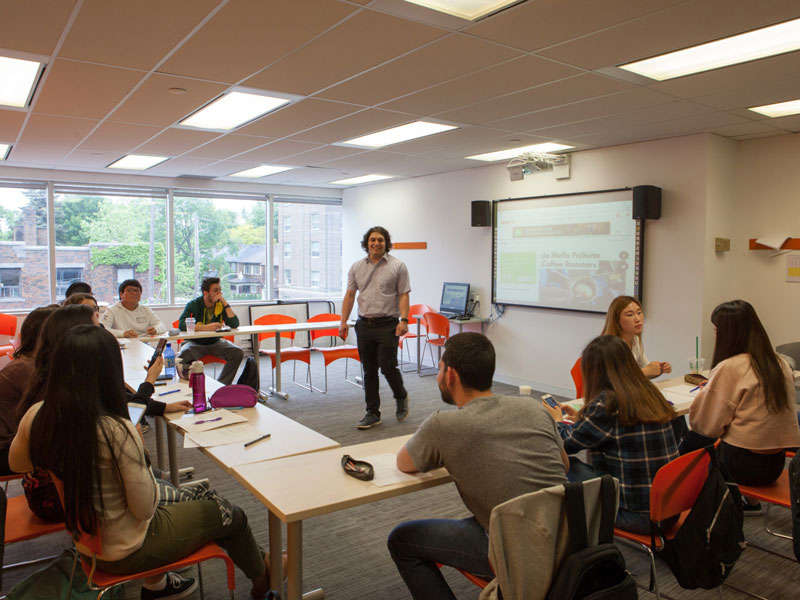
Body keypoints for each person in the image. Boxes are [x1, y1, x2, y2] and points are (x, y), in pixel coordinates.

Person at [9, 325, 275, 600]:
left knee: (198, 499)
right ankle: (264, 578)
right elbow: (145, 507)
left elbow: (17, 464)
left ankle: (262, 564)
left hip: (87, 542)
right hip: (129, 548)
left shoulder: (38, 415)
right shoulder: (114, 429)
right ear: (109, 370)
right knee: (231, 513)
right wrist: (139, 451)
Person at [388, 333, 569, 600]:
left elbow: (404, 463)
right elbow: (564, 465)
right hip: (567, 535)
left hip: (516, 550)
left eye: (439, 369)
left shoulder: (443, 426)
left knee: (401, 540)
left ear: (450, 375)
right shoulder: (534, 409)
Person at [545, 335, 678, 534]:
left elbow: (566, 444)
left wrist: (556, 420)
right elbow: (612, 430)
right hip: (669, 508)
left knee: (563, 463)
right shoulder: (649, 392)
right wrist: (582, 418)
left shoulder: (608, 404)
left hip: (636, 515)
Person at [683, 300, 800, 511]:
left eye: (717, 331)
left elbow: (706, 425)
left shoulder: (730, 367)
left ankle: (684, 506)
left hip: (742, 466)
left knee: (691, 439)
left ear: (727, 334)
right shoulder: (780, 363)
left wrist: (706, 393)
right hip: (776, 464)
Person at [339, 226, 410, 429]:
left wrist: (404, 320)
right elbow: (350, 295)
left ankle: (401, 395)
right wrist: (343, 321)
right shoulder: (356, 267)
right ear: (366, 243)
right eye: (372, 240)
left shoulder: (398, 266)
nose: (376, 243)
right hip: (364, 325)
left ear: (386, 243)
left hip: (388, 324)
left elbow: (404, 294)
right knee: (369, 371)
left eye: (380, 240)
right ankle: (372, 412)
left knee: (388, 366)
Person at [0, 305, 58, 475]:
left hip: (16, 439)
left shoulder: (34, 363)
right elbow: (52, 415)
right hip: (6, 449)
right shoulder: (27, 369)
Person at [177, 277, 243, 386]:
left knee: (237, 353)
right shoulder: (193, 304)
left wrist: (224, 302)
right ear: (206, 293)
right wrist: (206, 327)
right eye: (215, 290)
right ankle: (189, 387)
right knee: (183, 354)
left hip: (215, 342)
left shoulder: (220, 305)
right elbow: (182, 325)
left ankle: (221, 385)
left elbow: (234, 324)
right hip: (195, 343)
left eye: (220, 290)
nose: (219, 293)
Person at [603, 295, 671, 378]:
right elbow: (617, 380)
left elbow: (643, 373)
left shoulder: (635, 340)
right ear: (617, 320)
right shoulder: (610, 346)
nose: (637, 319)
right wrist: (646, 371)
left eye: (639, 313)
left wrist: (660, 369)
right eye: (630, 315)